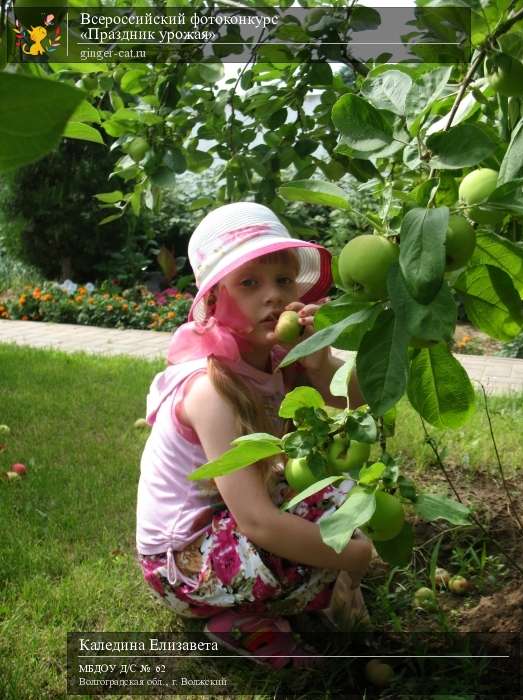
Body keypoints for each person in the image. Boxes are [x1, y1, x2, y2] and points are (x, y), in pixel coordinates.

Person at [136, 202, 372, 669]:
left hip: (226, 532)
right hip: (180, 563)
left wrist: (321, 366)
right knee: (328, 515)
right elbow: (258, 522)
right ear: (213, 302)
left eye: (284, 281)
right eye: (249, 283)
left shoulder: (281, 362)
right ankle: (239, 620)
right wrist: (351, 555)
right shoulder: (212, 389)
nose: (274, 296)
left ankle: (287, 594)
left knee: (339, 490)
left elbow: (359, 418)